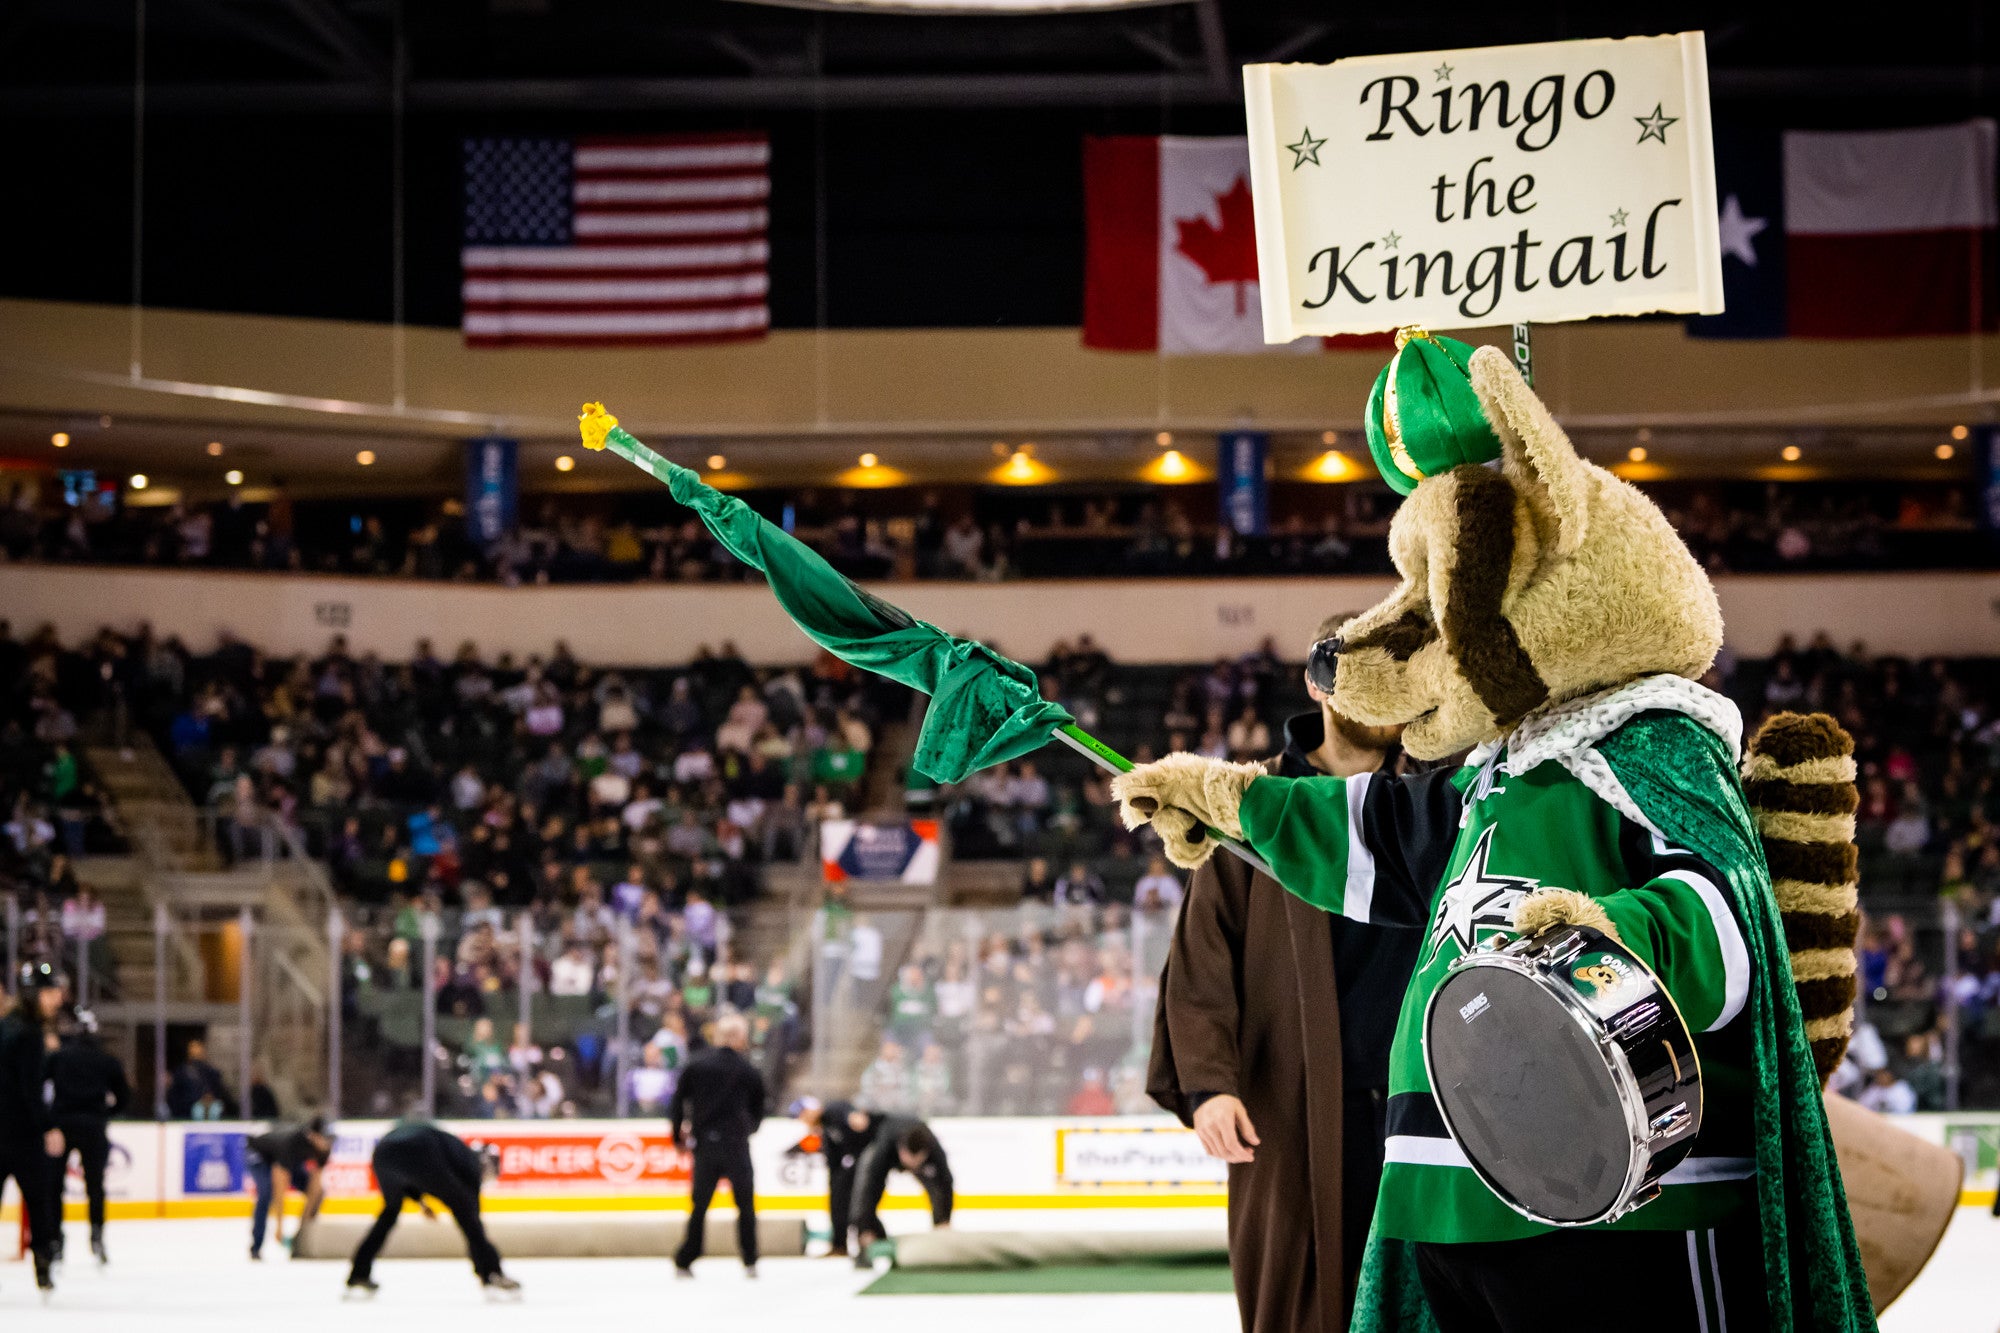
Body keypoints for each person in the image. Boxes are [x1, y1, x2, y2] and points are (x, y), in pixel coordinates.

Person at [1148, 610, 1414, 1332]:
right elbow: (1202, 953)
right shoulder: (1251, 806)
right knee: (1296, 1300)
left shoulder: (1437, 804)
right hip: (1291, 1109)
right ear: (1316, 682)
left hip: (1426, 1108)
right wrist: (1207, 1085)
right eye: (1352, 671)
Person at [345, 1120, 519, 1296]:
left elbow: (408, 1166)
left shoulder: (454, 1148)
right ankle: (492, 1273)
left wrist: (420, 1201)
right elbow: (471, 1217)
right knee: (468, 1219)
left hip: (384, 1154)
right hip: (420, 1149)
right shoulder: (469, 1164)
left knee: (389, 1213)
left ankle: (358, 1273)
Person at [668, 1012, 766, 1278]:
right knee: (745, 1203)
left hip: (705, 1143)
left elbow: (677, 1103)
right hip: (736, 1143)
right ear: (738, 1037)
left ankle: (686, 1257)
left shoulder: (697, 1065)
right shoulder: (748, 1070)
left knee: (699, 1204)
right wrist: (749, 1129)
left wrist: (677, 1135)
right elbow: (759, 1108)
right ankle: (750, 1259)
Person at [45, 1008, 128, 1265]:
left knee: (54, 1186)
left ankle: (56, 1239)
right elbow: (124, 1096)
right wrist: (105, 1112)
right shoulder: (107, 1060)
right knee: (95, 1186)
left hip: (63, 1125)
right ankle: (97, 1235)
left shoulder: (58, 1058)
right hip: (93, 1127)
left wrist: (49, 1119)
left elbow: (37, 1085)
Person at [0, 964, 64, 1294]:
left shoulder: (6, 1026)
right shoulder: (27, 1033)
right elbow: (30, 1088)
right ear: (34, 995)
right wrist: (48, 1126)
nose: (58, 1000)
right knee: (40, 1202)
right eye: (51, 994)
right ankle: (43, 1269)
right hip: (19, 1135)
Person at [849, 1116, 953, 1268]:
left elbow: (946, 1184)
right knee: (863, 1192)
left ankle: (939, 1236)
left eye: (917, 1161)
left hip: (916, 1141)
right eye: (910, 1161)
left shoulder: (934, 1150)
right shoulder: (884, 1149)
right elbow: (868, 1191)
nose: (912, 1166)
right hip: (884, 1142)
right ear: (902, 1150)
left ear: (925, 1154)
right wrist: (865, 1228)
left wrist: (944, 1220)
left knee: (937, 1191)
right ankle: (865, 1245)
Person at [795, 1098, 878, 1258]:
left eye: (804, 1114)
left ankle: (867, 1243)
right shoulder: (825, 1127)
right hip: (848, 1165)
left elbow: (856, 1120)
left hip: (862, 1162)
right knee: (837, 1200)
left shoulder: (835, 1108)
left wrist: (853, 1119)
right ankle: (840, 1245)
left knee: (857, 1205)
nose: (804, 1120)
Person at [246, 1116, 333, 1260]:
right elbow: (280, 1188)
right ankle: (256, 1247)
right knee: (266, 1194)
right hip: (260, 1155)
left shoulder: (324, 1147)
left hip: (287, 1160)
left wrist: (302, 1226)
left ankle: (302, 1242)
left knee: (320, 1193)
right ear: (313, 1136)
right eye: (324, 1139)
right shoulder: (292, 1143)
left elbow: (315, 1188)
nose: (327, 1143)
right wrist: (280, 1227)